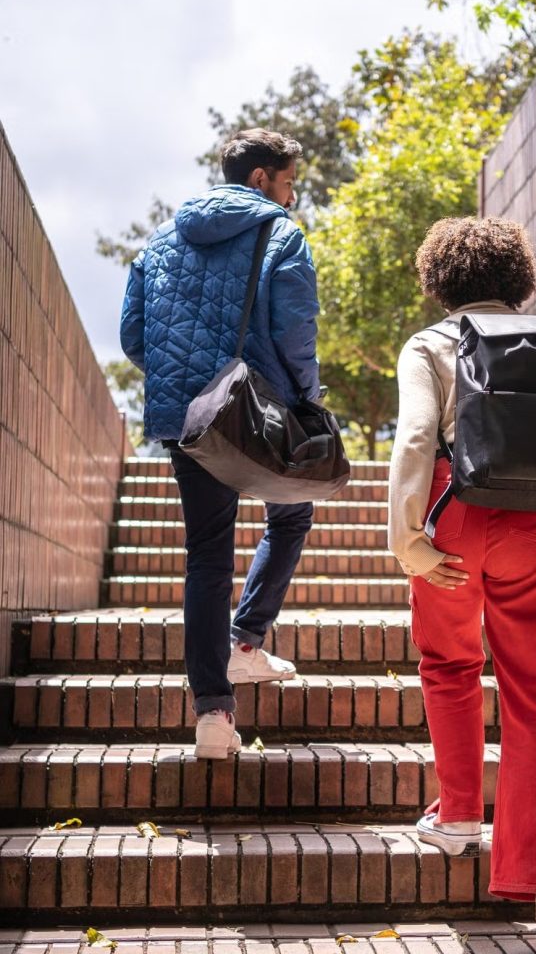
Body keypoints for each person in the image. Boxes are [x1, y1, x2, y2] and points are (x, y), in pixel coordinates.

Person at [389, 216, 536, 951]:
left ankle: (455, 815)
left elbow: (418, 436)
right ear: (520, 278)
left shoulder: (430, 343)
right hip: (535, 520)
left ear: (439, 281)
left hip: (452, 508)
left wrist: (405, 538)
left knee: (450, 662)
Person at [120, 128, 321, 760]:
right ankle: (246, 642)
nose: (291, 197)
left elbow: (133, 337)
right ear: (261, 178)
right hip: (258, 408)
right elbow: (295, 331)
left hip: (190, 419)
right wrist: (307, 400)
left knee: (207, 555)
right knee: (292, 512)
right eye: (288, 183)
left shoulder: (159, 243)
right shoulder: (280, 233)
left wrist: (184, 380)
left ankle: (212, 716)